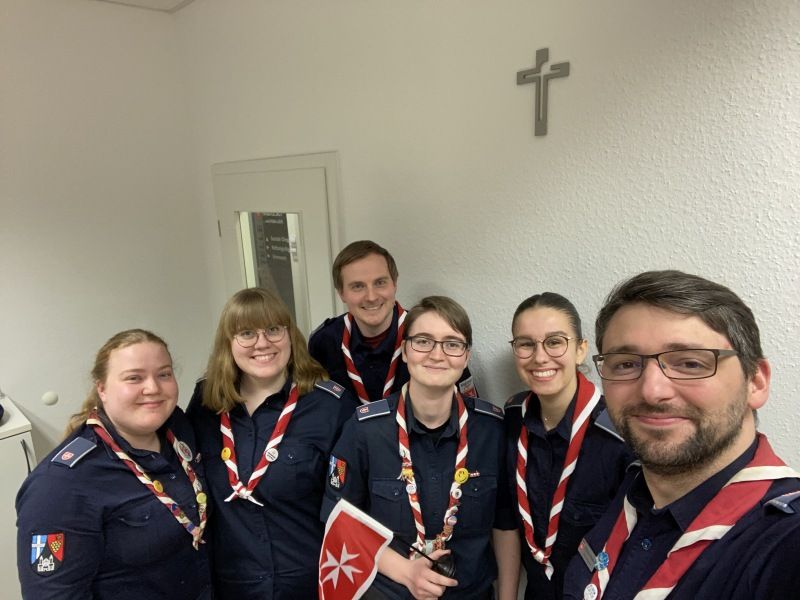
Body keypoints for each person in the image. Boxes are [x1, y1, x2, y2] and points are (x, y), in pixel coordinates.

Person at [563, 270, 800, 600]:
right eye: (625, 364)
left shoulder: (786, 544)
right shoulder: (631, 491)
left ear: (755, 382)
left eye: (690, 363)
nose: (651, 391)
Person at [323, 296, 518, 599]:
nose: (437, 355)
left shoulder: (491, 430)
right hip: (391, 592)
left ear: (465, 356)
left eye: (452, 344)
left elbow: (505, 526)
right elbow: (339, 520)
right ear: (404, 351)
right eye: (423, 341)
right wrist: (406, 572)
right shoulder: (364, 431)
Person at [187, 287, 358, 599]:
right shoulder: (205, 404)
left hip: (311, 584)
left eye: (274, 330)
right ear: (229, 343)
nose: (262, 343)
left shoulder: (331, 406)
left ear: (290, 335)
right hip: (230, 586)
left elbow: (355, 506)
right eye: (247, 333)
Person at [16, 329, 212, 600]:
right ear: (102, 389)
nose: (153, 388)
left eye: (164, 374)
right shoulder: (60, 486)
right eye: (134, 378)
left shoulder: (177, 428)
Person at [505, 293, 633, 600]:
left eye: (555, 341)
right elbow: (507, 518)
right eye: (525, 344)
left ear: (581, 350)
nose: (539, 357)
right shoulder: (512, 418)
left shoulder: (620, 434)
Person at [308, 240, 477, 404]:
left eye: (380, 283)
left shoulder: (433, 336)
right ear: (341, 293)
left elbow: (467, 410)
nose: (372, 297)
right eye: (358, 286)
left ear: (394, 284)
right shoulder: (324, 342)